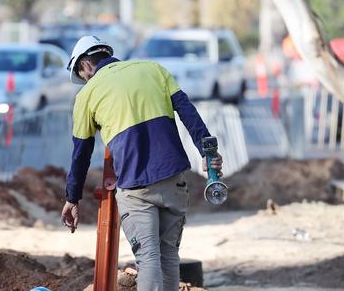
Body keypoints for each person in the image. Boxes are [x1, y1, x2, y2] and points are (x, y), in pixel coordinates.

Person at [60, 36, 223, 291]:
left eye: (82, 75)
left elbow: (81, 153)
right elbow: (187, 111)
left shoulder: (87, 95)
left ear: (86, 65)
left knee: (147, 260)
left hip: (136, 189)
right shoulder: (153, 69)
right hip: (174, 180)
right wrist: (206, 151)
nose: (85, 81)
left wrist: (72, 197)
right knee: (169, 257)